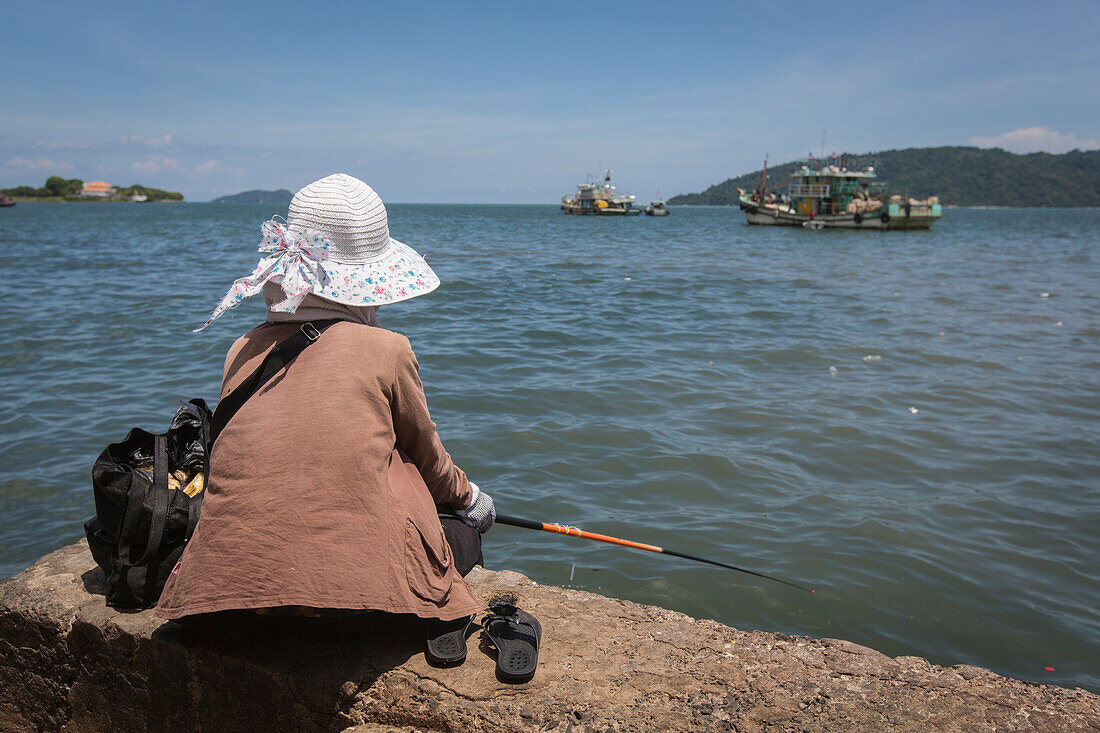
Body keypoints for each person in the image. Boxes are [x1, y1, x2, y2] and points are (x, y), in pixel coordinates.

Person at [155, 174, 494, 662]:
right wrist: (474, 502)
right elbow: (431, 462)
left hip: (233, 609)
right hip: (353, 614)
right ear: (365, 282)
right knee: (460, 536)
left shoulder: (241, 349)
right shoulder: (386, 349)